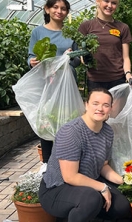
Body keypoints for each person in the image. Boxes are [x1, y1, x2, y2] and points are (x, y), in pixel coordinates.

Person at [39, 88, 132, 222]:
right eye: (95, 103)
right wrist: (103, 187)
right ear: (86, 105)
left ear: (110, 109)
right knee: (91, 199)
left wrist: (124, 180)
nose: (100, 108)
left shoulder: (107, 132)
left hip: (87, 184)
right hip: (57, 189)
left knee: (122, 207)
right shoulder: (71, 132)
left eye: (106, 105)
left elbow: (103, 166)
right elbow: (70, 177)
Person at [27, 0, 81, 165]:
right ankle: (47, 165)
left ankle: (68, 162)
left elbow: (78, 60)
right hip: (47, 85)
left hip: (67, 85)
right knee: (46, 122)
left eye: (63, 8)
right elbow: (30, 56)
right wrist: (32, 61)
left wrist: (70, 58)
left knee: (68, 121)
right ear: (47, 9)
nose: (59, 11)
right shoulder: (38, 32)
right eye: (55, 7)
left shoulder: (71, 33)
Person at [78, 0, 132, 92]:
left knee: (117, 107)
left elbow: (125, 57)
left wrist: (128, 74)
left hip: (117, 79)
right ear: (98, 2)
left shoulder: (122, 28)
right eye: (106, 1)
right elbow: (82, 54)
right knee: (99, 106)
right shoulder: (86, 26)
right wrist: (85, 60)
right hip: (95, 80)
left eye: (113, 3)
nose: (109, 5)